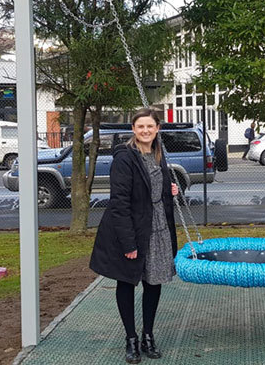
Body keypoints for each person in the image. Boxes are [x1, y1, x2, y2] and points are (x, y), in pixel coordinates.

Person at [90, 108, 179, 364]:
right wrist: (128, 242)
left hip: (158, 228)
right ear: (133, 129)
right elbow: (119, 202)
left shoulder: (159, 153)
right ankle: (131, 339)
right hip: (132, 229)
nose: (145, 131)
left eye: (150, 126)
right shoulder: (125, 158)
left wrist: (168, 189)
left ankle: (148, 335)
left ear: (157, 128)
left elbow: (155, 188)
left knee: (154, 282)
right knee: (127, 282)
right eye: (140, 127)